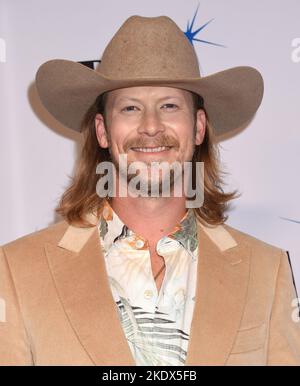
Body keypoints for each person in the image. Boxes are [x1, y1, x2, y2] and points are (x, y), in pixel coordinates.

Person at [0, 15, 299, 366]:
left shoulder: (267, 271)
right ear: (102, 130)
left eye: (169, 106)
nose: (151, 126)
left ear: (199, 126)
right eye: (130, 108)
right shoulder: (18, 272)